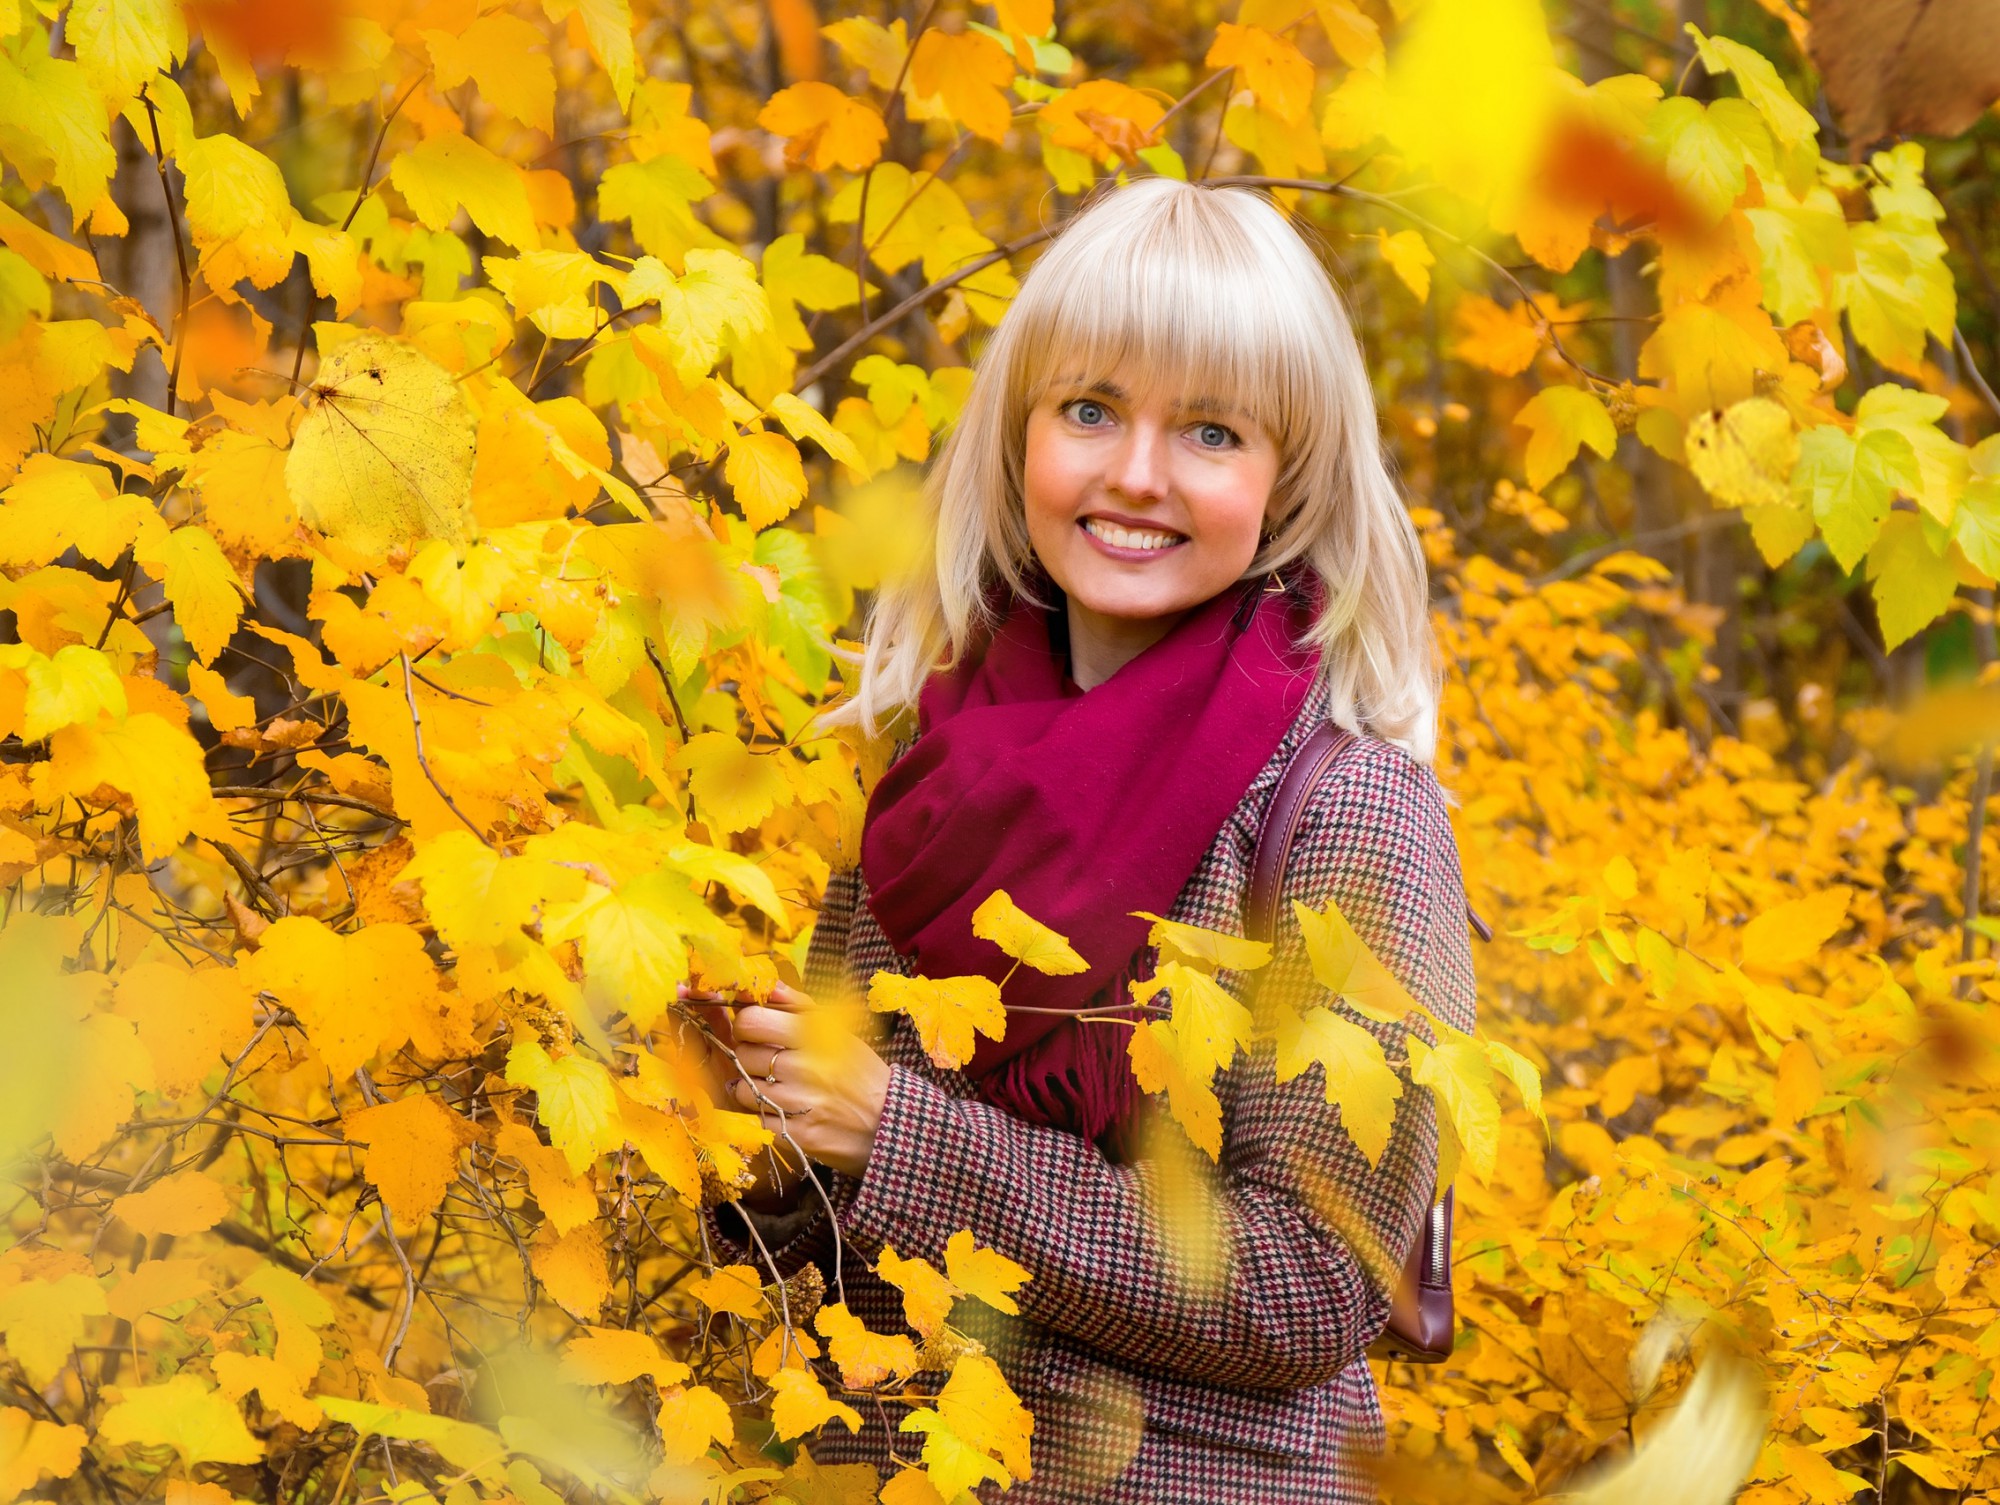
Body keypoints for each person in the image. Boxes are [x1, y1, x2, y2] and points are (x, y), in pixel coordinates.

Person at [695, 177, 1477, 1502]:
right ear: (1020, 434)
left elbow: (1307, 1289)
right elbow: (820, 1231)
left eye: (1213, 432)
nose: (1134, 474)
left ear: (1291, 478)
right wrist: (740, 1119)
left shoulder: (1348, 809)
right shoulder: (931, 765)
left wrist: (897, 1135)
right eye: (1091, 409)